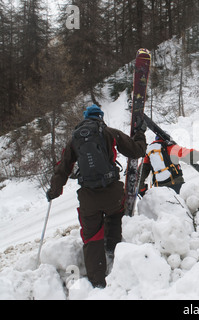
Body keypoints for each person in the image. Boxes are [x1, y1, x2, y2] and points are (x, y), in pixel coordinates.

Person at [46, 104, 147, 288]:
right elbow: (137, 151)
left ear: (85, 118)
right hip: (112, 194)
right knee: (115, 217)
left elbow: (62, 168)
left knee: (92, 237)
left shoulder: (75, 140)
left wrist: (54, 191)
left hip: (88, 198)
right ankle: (115, 258)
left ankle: (97, 282)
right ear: (100, 117)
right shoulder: (109, 133)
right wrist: (140, 133)